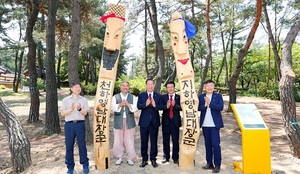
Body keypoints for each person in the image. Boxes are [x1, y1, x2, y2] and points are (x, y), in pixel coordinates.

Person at [60, 82, 89, 174]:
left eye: (79, 87)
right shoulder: (66, 100)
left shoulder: (83, 100)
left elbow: (85, 113)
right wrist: (71, 110)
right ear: (71, 88)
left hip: (80, 124)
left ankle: (85, 165)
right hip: (69, 125)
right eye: (76, 87)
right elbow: (62, 113)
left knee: (82, 145)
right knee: (69, 146)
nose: (78, 89)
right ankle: (70, 167)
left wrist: (80, 109)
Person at [198, 80, 224, 173]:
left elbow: (220, 107)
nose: (209, 87)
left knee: (216, 145)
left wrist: (210, 103)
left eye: (211, 85)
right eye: (207, 86)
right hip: (205, 125)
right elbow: (198, 108)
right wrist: (204, 105)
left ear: (214, 87)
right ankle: (209, 163)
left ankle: (217, 165)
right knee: (207, 145)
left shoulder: (218, 96)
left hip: (214, 125)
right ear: (205, 87)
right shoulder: (201, 97)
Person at [137, 79, 163, 168]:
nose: (150, 86)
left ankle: (153, 159)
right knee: (144, 142)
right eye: (149, 84)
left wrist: (156, 106)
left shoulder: (158, 96)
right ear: (146, 85)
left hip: (154, 122)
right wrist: (145, 104)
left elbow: (162, 106)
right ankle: (144, 159)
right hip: (144, 122)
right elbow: (138, 106)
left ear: (154, 85)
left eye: (152, 84)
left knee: (154, 141)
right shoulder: (142, 95)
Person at [111, 81, 138, 166]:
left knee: (129, 140)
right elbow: (113, 107)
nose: (125, 87)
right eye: (123, 86)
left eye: (127, 86)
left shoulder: (133, 97)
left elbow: (135, 108)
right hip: (118, 120)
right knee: (118, 140)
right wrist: (120, 105)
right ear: (120, 87)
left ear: (129, 87)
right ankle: (119, 157)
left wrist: (128, 105)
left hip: (129, 120)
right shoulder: (115, 97)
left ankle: (130, 157)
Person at [160, 81, 181, 165]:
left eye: (172, 87)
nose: (170, 88)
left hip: (175, 122)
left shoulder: (179, 97)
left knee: (175, 140)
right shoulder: (163, 97)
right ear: (166, 88)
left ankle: (175, 158)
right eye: (168, 87)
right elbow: (159, 106)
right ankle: (166, 157)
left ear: (174, 87)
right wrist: (167, 106)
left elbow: (183, 108)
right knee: (166, 140)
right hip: (166, 122)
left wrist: (175, 105)